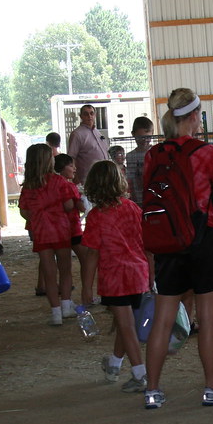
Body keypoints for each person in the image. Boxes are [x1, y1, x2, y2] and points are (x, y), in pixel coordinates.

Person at [142, 88, 213, 411]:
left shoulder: (153, 155)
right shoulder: (206, 153)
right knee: (208, 319)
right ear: (195, 116)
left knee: (162, 319)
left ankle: (153, 391)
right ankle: (212, 388)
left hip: (167, 243)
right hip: (202, 240)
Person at [80, 160, 150, 393]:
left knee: (126, 326)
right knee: (124, 324)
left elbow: (92, 254)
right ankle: (114, 364)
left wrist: (86, 287)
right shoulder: (133, 208)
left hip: (115, 278)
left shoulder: (96, 217)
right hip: (137, 274)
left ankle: (140, 374)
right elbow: (146, 243)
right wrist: (151, 274)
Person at [19, 143, 76, 326]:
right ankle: (66, 305)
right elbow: (69, 205)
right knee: (65, 270)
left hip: (41, 232)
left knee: (49, 274)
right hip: (61, 230)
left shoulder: (28, 186)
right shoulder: (59, 182)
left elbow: (24, 212)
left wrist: (37, 216)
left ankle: (55, 312)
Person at [54, 153, 88, 287]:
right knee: (85, 258)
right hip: (72, 228)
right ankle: (86, 288)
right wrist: (80, 199)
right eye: (71, 165)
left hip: (57, 229)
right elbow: (76, 207)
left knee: (59, 262)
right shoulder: (69, 186)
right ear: (62, 167)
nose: (74, 168)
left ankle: (54, 288)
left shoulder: (51, 184)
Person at [67, 104, 108, 185]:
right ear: (81, 116)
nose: (89, 116)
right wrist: (77, 181)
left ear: (95, 115)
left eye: (91, 113)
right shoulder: (77, 134)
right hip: (87, 180)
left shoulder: (98, 132)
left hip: (104, 178)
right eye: (86, 114)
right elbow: (72, 158)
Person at [125, 116, 154, 205]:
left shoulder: (155, 152)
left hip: (154, 196)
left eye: (148, 137)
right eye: (140, 137)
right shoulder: (130, 156)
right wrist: (133, 199)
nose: (145, 141)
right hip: (138, 197)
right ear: (133, 134)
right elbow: (131, 180)